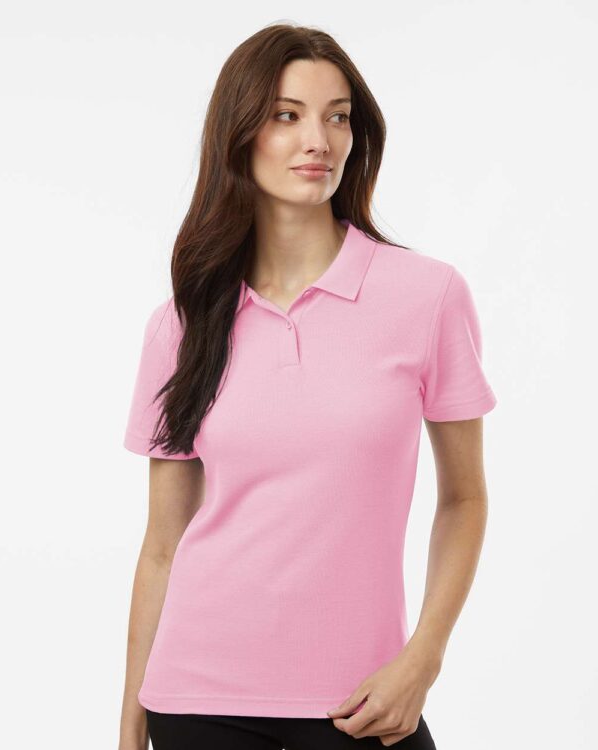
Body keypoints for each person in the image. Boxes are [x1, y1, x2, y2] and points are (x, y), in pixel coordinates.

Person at [118, 22, 497, 750]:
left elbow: (464, 499)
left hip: (365, 702)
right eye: (287, 116)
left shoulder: (427, 297)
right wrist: (132, 724)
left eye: (337, 116)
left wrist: (423, 659)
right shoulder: (181, 325)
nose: (318, 140)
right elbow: (162, 543)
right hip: (196, 700)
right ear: (239, 134)